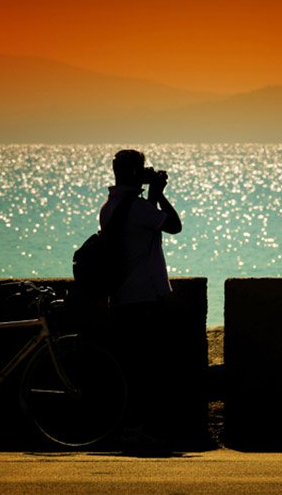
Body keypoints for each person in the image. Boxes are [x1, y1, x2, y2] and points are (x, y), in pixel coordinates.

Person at [99, 149, 182, 452]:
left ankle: (131, 429)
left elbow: (143, 232)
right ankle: (135, 431)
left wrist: (149, 195)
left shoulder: (110, 207)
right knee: (144, 370)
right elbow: (174, 225)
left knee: (131, 368)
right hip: (143, 299)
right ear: (136, 173)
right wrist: (158, 194)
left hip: (121, 297)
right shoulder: (138, 208)